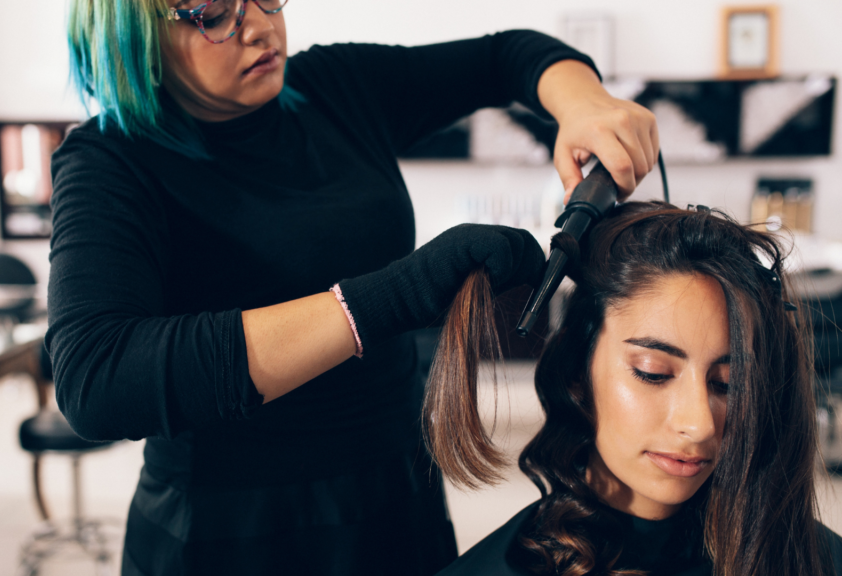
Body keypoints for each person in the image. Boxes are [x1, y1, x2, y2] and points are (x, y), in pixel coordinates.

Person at [48, 0, 660, 574]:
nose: (260, 26)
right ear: (134, 37)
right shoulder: (110, 161)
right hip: (230, 525)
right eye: (213, 13)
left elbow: (507, 56)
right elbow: (99, 378)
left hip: (395, 497)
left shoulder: (335, 87)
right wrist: (395, 294)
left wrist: (582, 103)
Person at [431, 202, 842, 576]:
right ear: (577, 371)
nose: (699, 425)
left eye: (727, 384)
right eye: (653, 373)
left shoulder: (810, 557)